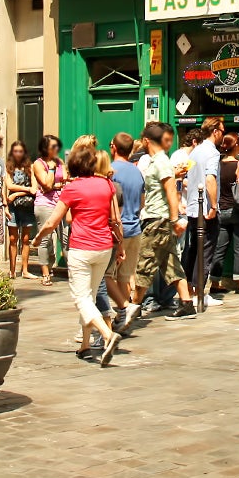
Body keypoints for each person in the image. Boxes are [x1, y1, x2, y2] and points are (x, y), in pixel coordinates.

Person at [33, 140, 125, 366]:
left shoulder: (72, 188)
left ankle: (107, 335)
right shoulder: (106, 184)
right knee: (90, 297)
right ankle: (85, 345)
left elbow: (53, 221)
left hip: (81, 248)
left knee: (81, 298)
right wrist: (120, 246)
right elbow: (115, 220)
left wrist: (38, 238)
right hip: (104, 248)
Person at [134, 123, 199, 317]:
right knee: (171, 263)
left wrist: (174, 220)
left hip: (156, 220)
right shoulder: (159, 162)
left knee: (144, 264)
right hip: (161, 219)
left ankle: (131, 307)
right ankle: (186, 303)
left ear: (147, 140)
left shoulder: (160, 161)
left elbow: (171, 190)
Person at [182, 118, 224, 307]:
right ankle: (200, 292)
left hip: (192, 208)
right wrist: (214, 206)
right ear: (215, 131)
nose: (222, 134)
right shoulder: (212, 153)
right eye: (222, 131)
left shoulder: (195, 151)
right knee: (205, 250)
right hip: (205, 210)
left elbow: (188, 178)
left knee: (193, 250)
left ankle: (190, 289)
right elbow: (209, 180)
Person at [108, 133, 147, 330]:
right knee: (124, 276)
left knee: (106, 277)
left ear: (114, 147)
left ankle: (120, 311)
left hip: (117, 230)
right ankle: (123, 316)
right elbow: (142, 203)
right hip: (135, 228)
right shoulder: (137, 171)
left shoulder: (110, 171)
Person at [214, 133, 239, 297]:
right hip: (237, 211)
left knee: (219, 248)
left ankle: (215, 282)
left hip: (221, 211)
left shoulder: (217, 164)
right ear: (237, 145)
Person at [31, 135, 65, 286]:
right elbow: (46, 185)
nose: (56, 149)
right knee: (45, 239)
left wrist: (56, 184)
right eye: (53, 146)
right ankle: (45, 274)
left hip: (61, 203)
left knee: (65, 238)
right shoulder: (38, 164)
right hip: (44, 204)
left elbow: (65, 178)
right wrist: (51, 169)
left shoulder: (60, 162)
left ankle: (72, 272)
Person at [4, 141, 38, 278]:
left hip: (27, 206)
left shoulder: (31, 167)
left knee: (25, 239)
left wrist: (17, 193)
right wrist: (26, 189)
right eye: (15, 151)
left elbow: (34, 189)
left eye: (20, 151)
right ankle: (12, 270)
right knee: (12, 238)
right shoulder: (8, 168)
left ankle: (25, 270)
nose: (18, 154)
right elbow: (9, 185)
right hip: (12, 207)